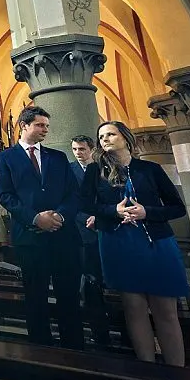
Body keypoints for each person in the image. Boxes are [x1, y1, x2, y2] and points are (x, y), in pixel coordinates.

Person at [82, 121, 189, 367]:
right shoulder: (95, 171)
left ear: (126, 138)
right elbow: (86, 204)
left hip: (156, 243)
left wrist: (146, 212)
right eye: (101, 136)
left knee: (166, 311)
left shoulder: (149, 169)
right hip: (119, 243)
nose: (105, 139)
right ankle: (148, 371)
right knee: (134, 309)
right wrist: (113, 211)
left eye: (110, 134)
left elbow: (177, 207)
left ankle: (178, 373)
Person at [0, 105, 85, 380]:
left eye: (47, 126)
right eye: (40, 125)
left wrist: (58, 216)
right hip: (30, 239)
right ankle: (43, 369)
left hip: (63, 237)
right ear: (24, 125)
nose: (45, 130)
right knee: (36, 302)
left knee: (69, 300)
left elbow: (73, 194)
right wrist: (36, 218)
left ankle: (77, 367)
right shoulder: (6, 158)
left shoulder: (57, 157)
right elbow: (6, 196)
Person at [70, 134, 111, 347]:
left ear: (91, 149)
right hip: (82, 232)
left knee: (109, 282)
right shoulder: (69, 170)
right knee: (89, 284)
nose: (78, 153)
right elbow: (68, 200)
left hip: (107, 229)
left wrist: (101, 217)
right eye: (75, 149)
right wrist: (85, 218)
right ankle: (97, 331)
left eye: (82, 149)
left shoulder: (104, 169)